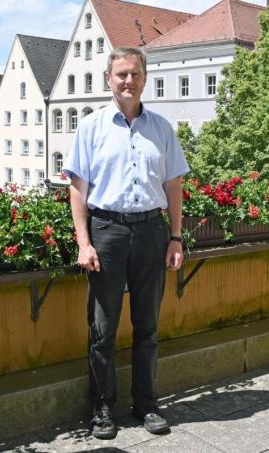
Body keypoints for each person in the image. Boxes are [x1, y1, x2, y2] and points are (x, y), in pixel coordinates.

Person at [63, 47, 190, 440]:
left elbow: (173, 186)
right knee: (103, 328)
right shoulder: (91, 127)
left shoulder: (161, 129)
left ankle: (146, 403)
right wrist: (84, 243)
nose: (128, 81)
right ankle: (102, 407)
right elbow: (77, 191)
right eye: (121, 74)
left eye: (134, 74)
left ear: (144, 77)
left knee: (148, 326)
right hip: (108, 233)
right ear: (108, 79)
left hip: (152, 232)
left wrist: (174, 236)